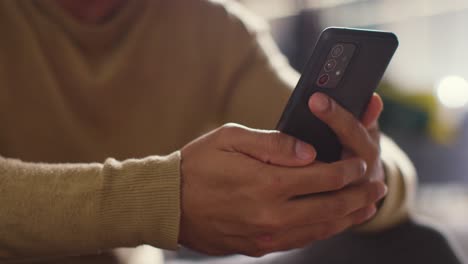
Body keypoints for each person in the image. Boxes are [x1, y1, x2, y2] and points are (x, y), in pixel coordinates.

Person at [0, 0, 462, 263]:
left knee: (419, 246)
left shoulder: (207, 25)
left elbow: (395, 173)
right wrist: (164, 201)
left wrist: (369, 175)